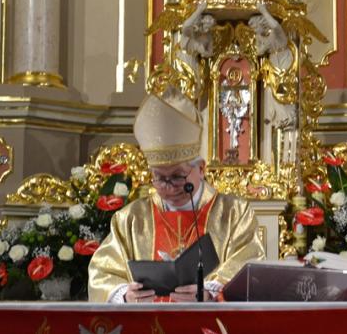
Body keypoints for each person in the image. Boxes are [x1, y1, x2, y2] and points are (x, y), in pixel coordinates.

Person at [88, 92, 265, 303]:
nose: (168, 187)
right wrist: (125, 295)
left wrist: (209, 293)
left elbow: (248, 267)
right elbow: (102, 273)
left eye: (177, 176)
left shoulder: (234, 214)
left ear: (201, 169)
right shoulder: (131, 218)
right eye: (159, 178)